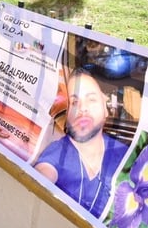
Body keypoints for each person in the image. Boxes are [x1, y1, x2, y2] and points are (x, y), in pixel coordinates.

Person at [34, 68, 128, 218]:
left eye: (91, 99)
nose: (82, 108)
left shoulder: (124, 155)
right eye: (74, 102)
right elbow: (39, 178)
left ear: (106, 108)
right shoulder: (57, 154)